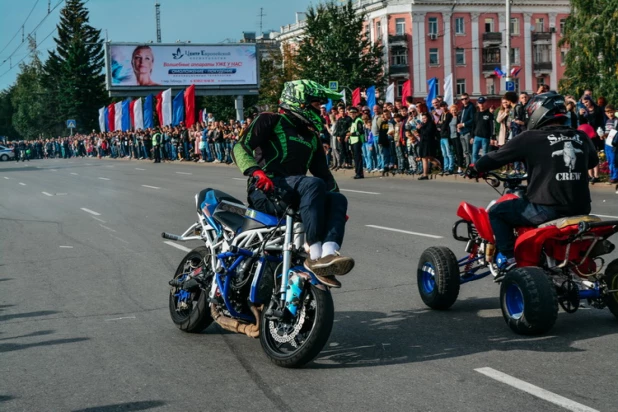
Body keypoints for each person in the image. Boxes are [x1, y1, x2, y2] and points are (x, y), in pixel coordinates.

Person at [232, 80, 354, 288]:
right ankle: (313, 254)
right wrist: (257, 173)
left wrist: (335, 209)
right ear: (301, 103)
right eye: (317, 105)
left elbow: (324, 175)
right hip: (266, 189)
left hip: (296, 193)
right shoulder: (270, 120)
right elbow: (240, 147)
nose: (322, 110)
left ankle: (328, 255)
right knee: (313, 184)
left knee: (337, 199)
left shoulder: (312, 137)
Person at [469, 92, 599, 270]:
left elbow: (496, 157)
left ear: (538, 112)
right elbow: (592, 162)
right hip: (581, 208)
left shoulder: (530, 137)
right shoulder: (580, 137)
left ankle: (509, 258)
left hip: (547, 209)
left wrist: (476, 168)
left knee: (497, 212)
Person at [471, 97, 494, 164]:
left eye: (482, 103)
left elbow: (492, 127)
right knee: (474, 154)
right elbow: (473, 126)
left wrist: (492, 137)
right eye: (480, 103)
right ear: (478, 104)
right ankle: (474, 168)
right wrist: (472, 137)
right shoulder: (476, 114)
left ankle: (484, 169)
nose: (481, 105)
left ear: (485, 103)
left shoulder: (489, 115)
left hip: (485, 137)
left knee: (484, 154)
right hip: (476, 137)